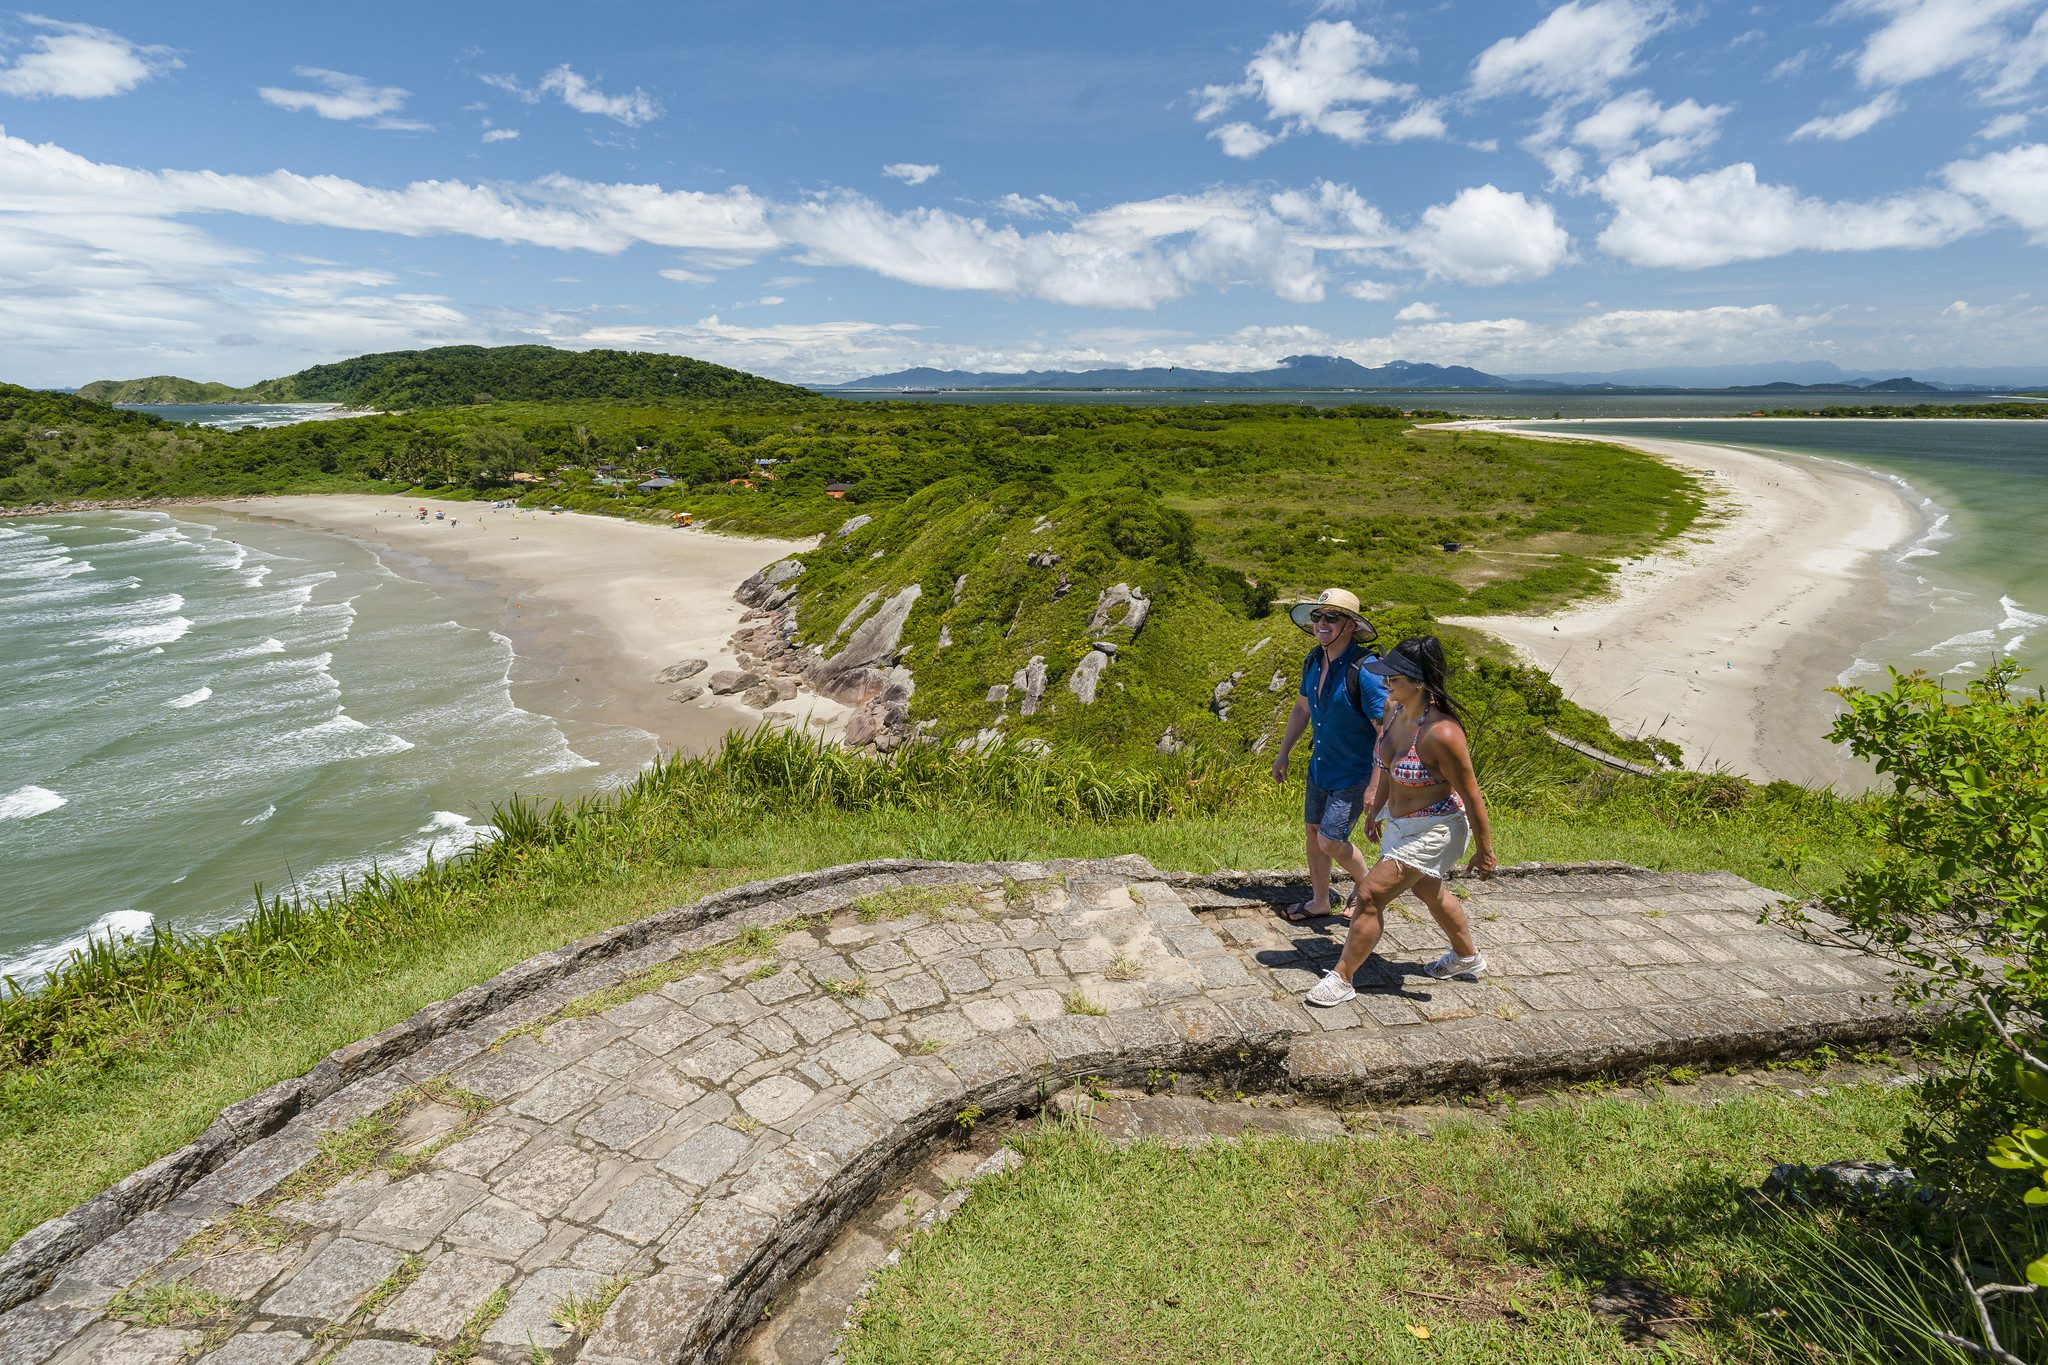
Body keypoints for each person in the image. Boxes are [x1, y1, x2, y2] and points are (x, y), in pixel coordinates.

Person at [1306, 635, 1497, 1007]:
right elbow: (1388, 767)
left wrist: (1485, 850)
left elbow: (1472, 795)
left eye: (1392, 677)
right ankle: (1467, 958)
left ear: (1419, 683)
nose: (1385, 682)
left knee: (1370, 894)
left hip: (1436, 827)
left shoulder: (1442, 733)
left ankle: (1342, 978)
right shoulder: (1394, 710)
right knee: (1430, 891)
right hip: (1399, 823)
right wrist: (1377, 810)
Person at [1269, 588, 1388, 924]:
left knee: (1330, 839)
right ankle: (1320, 900)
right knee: (1313, 830)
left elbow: (1384, 730)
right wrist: (1283, 753)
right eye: (1318, 617)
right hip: (1320, 766)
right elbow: (1302, 708)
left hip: (1355, 772)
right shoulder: (1313, 660)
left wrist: (1375, 787)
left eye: (1331, 617)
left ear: (1350, 625)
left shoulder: (1365, 670)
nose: (1322, 623)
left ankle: (1368, 889)